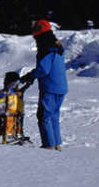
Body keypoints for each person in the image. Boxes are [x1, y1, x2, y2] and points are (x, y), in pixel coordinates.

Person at [21, 19, 68, 150]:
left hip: (50, 87)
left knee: (44, 116)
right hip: (61, 87)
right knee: (53, 116)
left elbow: (43, 69)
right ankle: (56, 144)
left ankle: (48, 145)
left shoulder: (46, 48)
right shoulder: (58, 47)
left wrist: (30, 75)